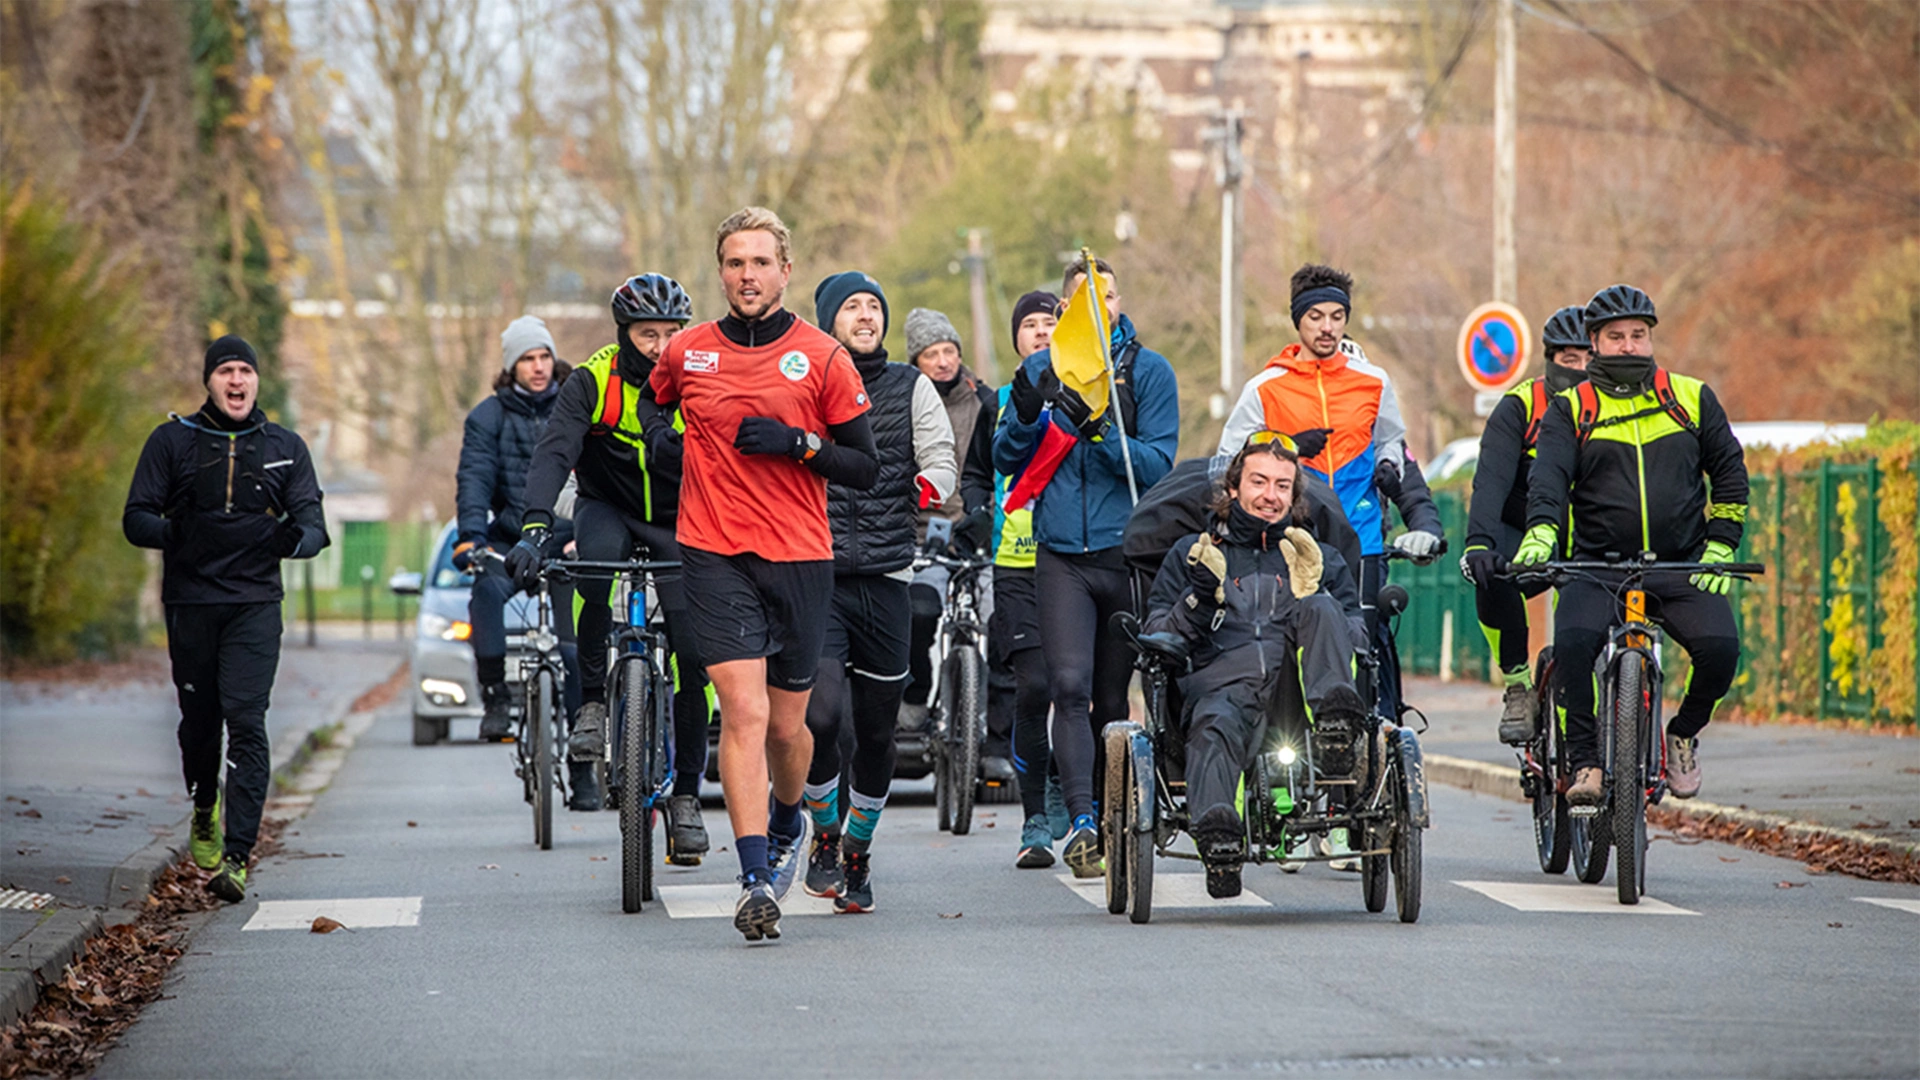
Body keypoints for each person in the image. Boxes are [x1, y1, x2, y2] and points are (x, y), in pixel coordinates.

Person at [648, 207, 878, 942]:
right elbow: (652, 414)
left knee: (789, 728)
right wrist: (672, 452)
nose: (747, 275)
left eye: (760, 262)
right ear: (721, 271)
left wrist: (799, 443)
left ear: (786, 271)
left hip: (801, 557)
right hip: (713, 552)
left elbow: (865, 466)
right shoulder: (687, 352)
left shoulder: (822, 357)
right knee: (742, 715)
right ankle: (753, 878)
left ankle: (789, 819)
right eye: (735, 263)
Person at [1517, 284, 1748, 804]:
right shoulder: (1571, 407)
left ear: (1650, 339)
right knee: (1574, 647)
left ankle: (1683, 733)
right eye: (1615, 336)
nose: (1628, 346)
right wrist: (1542, 531)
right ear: (1594, 343)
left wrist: (1721, 543)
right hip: (1596, 566)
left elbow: (1729, 473)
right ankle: (1585, 763)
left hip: (1679, 564)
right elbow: (1548, 478)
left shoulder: (1690, 396)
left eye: (1638, 335)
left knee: (1720, 651)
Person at [123, 336, 329, 903]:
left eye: (245, 371)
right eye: (226, 372)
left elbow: (315, 525)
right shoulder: (172, 442)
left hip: (254, 605)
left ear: (257, 381)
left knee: (246, 718)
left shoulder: (285, 447)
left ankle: (237, 857)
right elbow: (135, 518)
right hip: (191, 604)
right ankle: (204, 805)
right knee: (199, 723)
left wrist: (292, 539)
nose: (236, 381)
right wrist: (177, 533)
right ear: (209, 382)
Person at [993, 256, 1179, 877]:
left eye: (1108, 298)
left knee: (1108, 700)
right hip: (1060, 557)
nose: (1097, 310)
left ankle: (1108, 811)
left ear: (1120, 302)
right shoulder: (1042, 368)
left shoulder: (1149, 373)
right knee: (1065, 688)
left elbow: (1158, 467)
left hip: (1124, 555)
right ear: (1067, 310)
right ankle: (1078, 822)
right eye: (1082, 302)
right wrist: (1023, 408)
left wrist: (1099, 430)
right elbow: (1005, 459)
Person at [517, 275, 716, 840]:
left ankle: (684, 797)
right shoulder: (593, 379)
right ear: (624, 333)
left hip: (680, 517)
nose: (659, 345)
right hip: (607, 507)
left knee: (690, 654)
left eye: (671, 333)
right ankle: (594, 704)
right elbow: (555, 452)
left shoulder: (701, 376)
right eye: (647, 333)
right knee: (595, 568)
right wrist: (535, 528)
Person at [1142, 435, 1368, 899]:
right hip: (1222, 689)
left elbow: (1360, 636)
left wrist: (1313, 595)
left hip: (1300, 699)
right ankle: (1220, 838)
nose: (1270, 496)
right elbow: (1160, 638)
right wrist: (1199, 597)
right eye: (1259, 482)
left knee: (1324, 609)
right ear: (1232, 489)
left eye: (1282, 486)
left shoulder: (1318, 556)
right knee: (1215, 724)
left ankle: (1337, 730)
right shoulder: (1192, 553)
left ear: (1294, 496)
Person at [797, 272, 957, 913]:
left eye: (873, 306)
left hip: (889, 574)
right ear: (829, 319)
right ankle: (825, 835)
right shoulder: (807, 379)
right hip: (819, 575)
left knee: (876, 730)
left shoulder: (911, 385)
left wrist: (930, 485)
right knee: (819, 717)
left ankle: (858, 848)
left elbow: (941, 455)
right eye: (852, 307)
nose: (866, 315)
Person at [1214, 264, 1429, 637]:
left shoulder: (1373, 381)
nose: (1327, 327)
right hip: (1291, 535)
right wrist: (1290, 446)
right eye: (1315, 317)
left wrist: (1388, 464)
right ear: (1298, 321)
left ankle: (1376, 698)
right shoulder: (1264, 387)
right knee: (1296, 639)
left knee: (1363, 642)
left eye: (1337, 316)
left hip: (1361, 535)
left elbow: (1389, 440)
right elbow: (1228, 461)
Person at [1460, 305, 1589, 745]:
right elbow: (1491, 480)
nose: (1582, 369)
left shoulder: (1619, 407)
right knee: (1491, 571)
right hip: (1523, 529)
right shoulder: (1518, 407)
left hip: (1591, 532)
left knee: (1585, 627)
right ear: (1550, 360)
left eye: (1591, 359)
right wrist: (1478, 543)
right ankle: (1517, 684)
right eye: (1571, 360)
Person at [902, 307, 1011, 783]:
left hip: (976, 529)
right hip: (921, 532)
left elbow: (996, 468)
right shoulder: (901, 398)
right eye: (931, 354)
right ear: (916, 361)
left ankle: (990, 726)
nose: (943, 361)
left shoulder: (983, 401)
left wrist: (985, 517)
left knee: (997, 618)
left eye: (950, 351)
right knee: (920, 609)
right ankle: (915, 694)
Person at [455, 315, 575, 744]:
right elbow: (475, 478)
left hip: (567, 541)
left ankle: (584, 735)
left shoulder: (574, 405)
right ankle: (495, 700)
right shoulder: (488, 418)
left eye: (545, 356)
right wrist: (471, 537)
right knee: (485, 592)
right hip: (513, 538)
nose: (539, 367)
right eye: (528, 359)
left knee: (578, 636)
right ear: (512, 367)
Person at [993, 291, 1073, 868]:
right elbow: (980, 471)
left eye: (1052, 324)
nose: (1042, 333)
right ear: (1017, 338)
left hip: (1069, 558)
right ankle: (1035, 818)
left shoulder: (1085, 395)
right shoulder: (999, 399)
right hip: (1015, 562)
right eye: (1031, 325)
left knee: (1078, 690)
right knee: (1034, 687)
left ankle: (1074, 795)